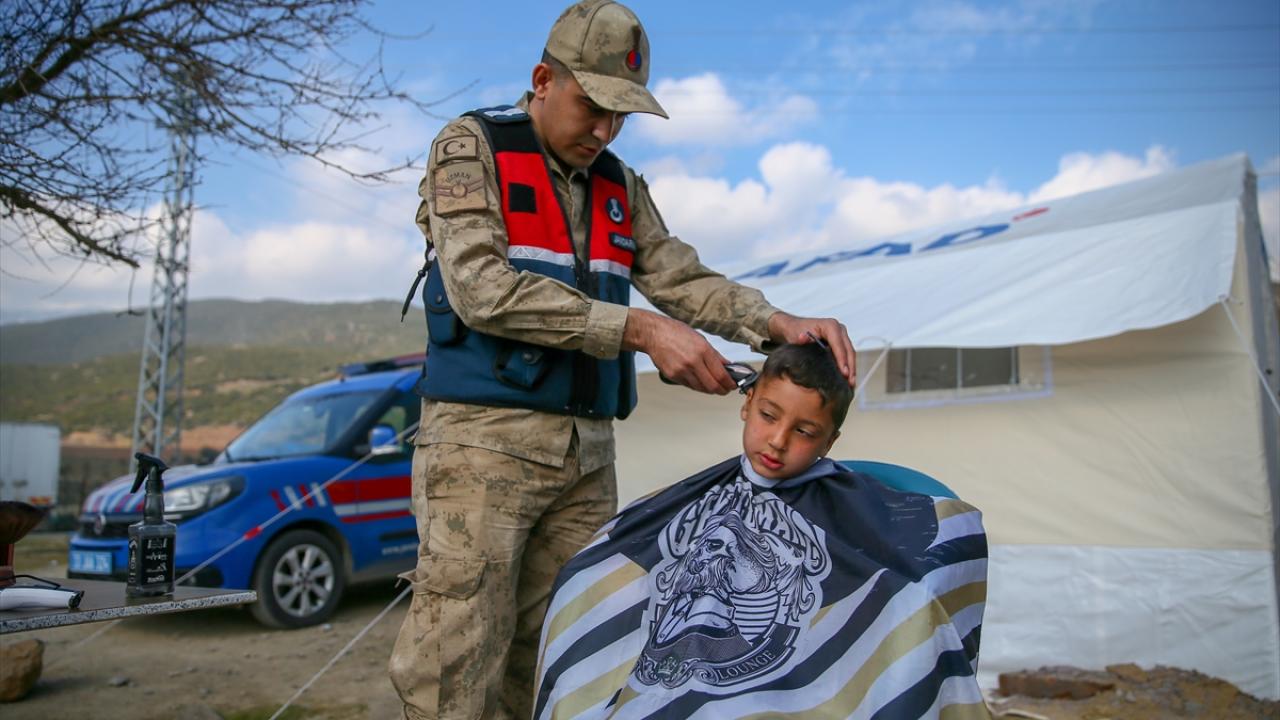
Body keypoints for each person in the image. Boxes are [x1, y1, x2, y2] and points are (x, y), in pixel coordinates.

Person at [388, 2, 856, 718]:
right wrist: (640, 332)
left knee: (564, 658)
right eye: (592, 107)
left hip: (585, 459)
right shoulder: (473, 147)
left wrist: (774, 322)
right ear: (543, 79)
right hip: (483, 452)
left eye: (622, 117)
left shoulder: (619, 185)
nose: (605, 130)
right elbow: (481, 290)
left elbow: (678, 275)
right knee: (456, 667)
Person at [533, 344, 991, 719]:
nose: (778, 440)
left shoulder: (850, 505)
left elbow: (937, 546)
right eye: (769, 416)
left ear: (830, 440)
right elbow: (618, 556)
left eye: (805, 431)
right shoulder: (696, 496)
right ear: (747, 404)